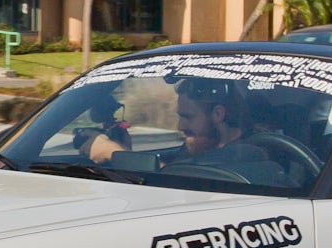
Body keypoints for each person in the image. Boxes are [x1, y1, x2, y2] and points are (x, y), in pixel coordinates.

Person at [81, 76, 281, 181]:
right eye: (179, 116)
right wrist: (127, 152)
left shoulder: (250, 157)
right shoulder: (200, 147)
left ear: (218, 115)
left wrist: (117, 153)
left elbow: (190, 183)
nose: (180, 126)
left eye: (188, 117)